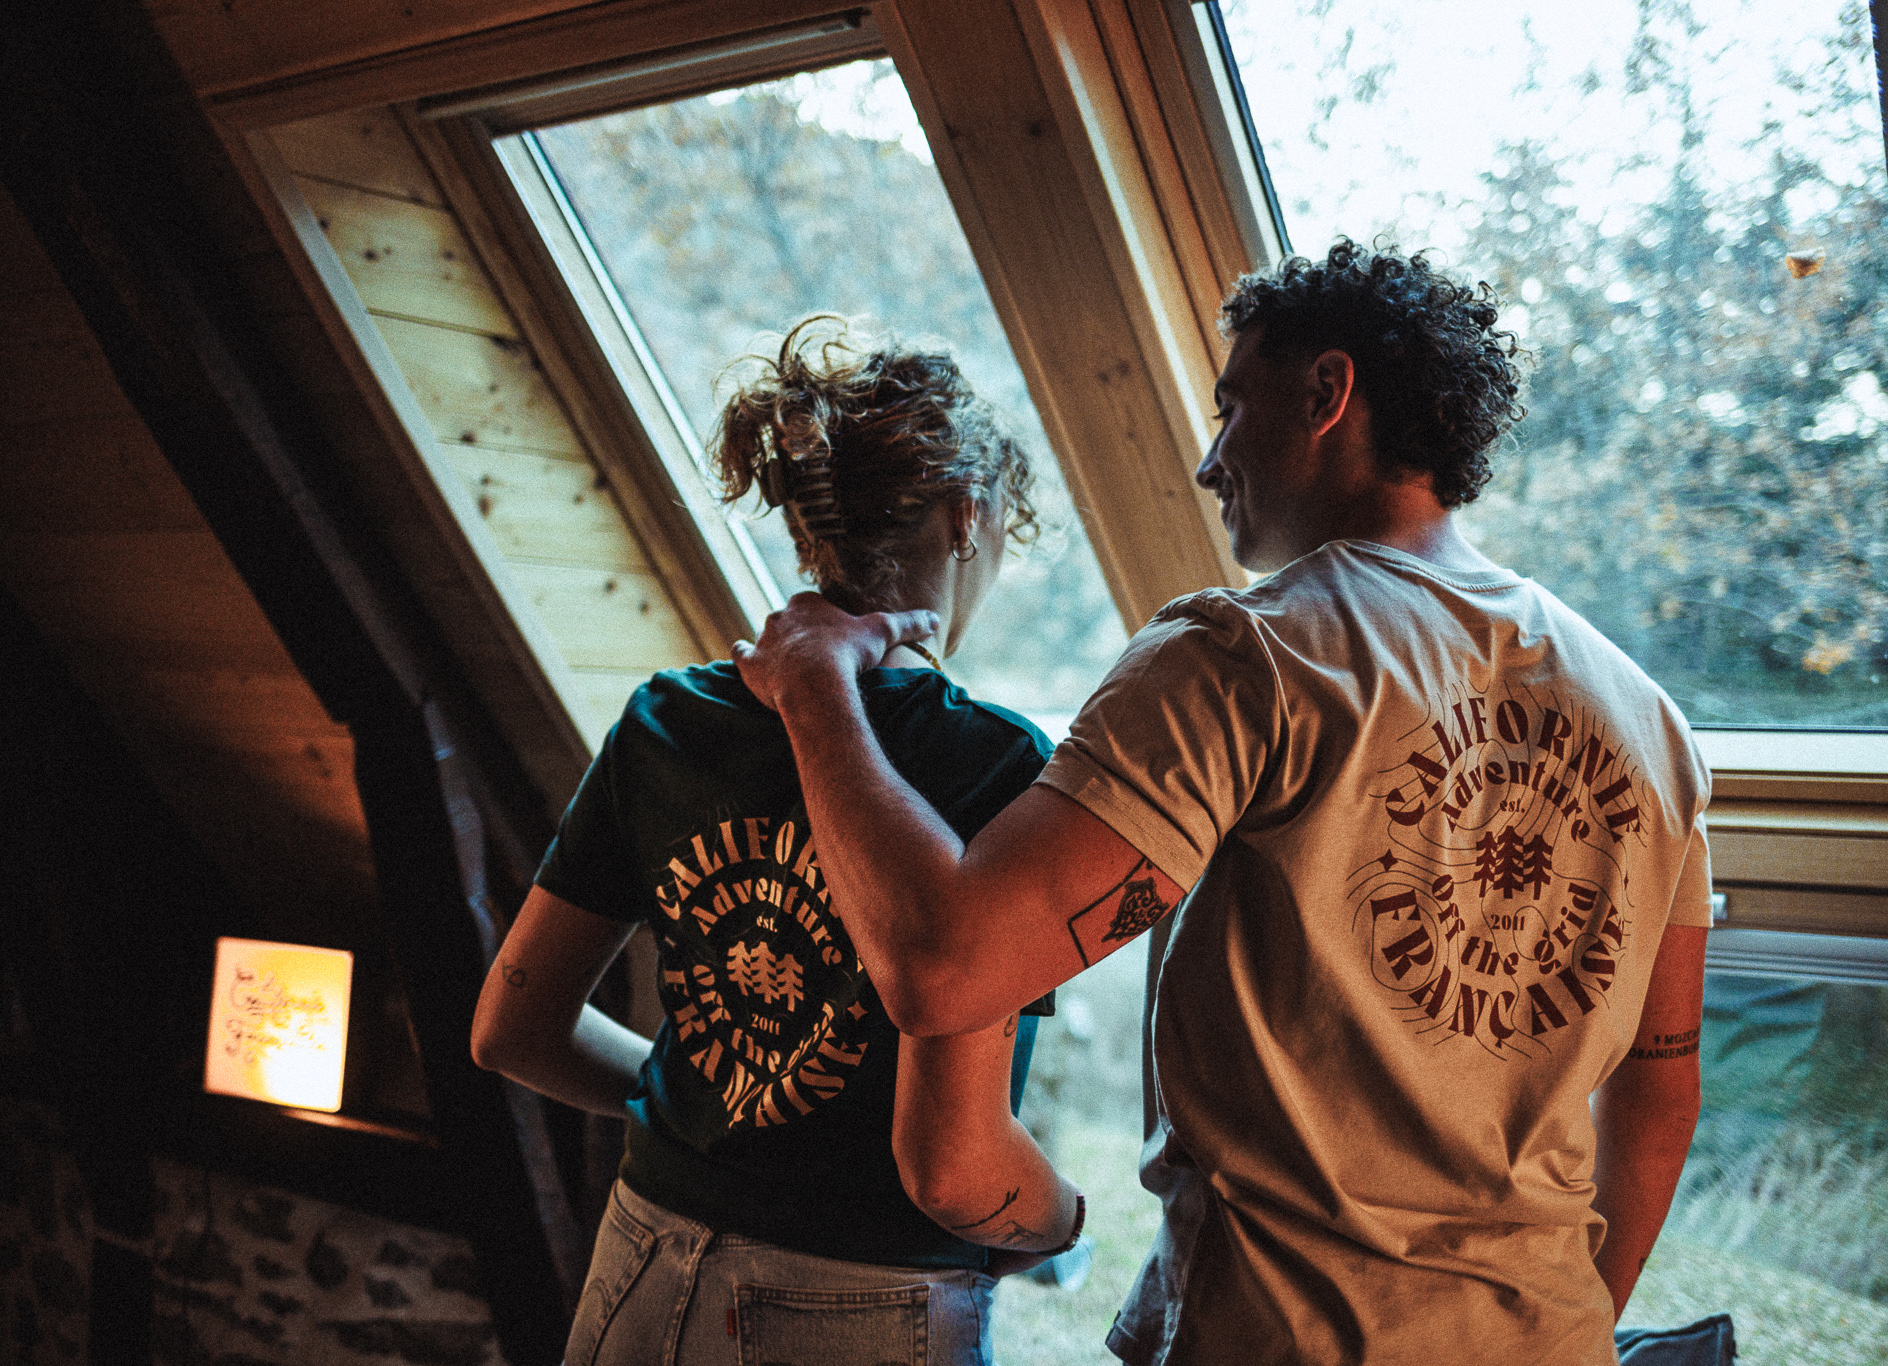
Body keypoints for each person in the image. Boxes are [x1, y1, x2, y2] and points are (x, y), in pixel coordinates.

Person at [733, 242, 1712, 1364]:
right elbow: (1658, 1096)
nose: (1208, 463)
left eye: (1229, 408)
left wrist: (814, 681)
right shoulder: (1650, 724)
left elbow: (943, 967)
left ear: (1326, 392)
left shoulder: (1246, 655)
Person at [471, 317, 1083, 1366]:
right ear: (967, 513)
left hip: (639, 1260)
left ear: (806, 526)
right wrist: (1063, 1224)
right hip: (861, 1303)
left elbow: (513, 1031)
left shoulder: (667, 720)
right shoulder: (992, 765)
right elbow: (958, 1174)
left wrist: (723, 1109)